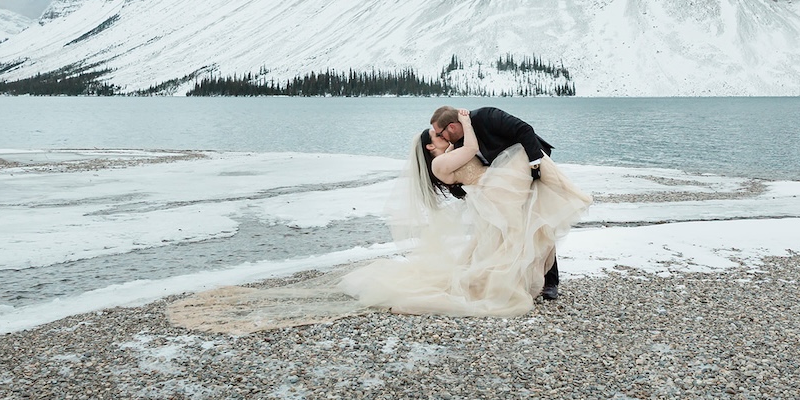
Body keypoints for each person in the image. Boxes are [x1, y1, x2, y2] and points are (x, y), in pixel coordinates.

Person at [166, 108, 590, 331]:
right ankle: (532, 282)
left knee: (529, 232)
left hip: (508, 181)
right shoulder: (446, 158)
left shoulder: (468, 138)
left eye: (439, 133)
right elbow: (471, 153)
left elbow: (502, 143)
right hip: (497, 190)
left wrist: (529, 164)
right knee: (522, 235)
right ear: (432, 146)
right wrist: (465, 126)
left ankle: (541, 281)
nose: (439, 140)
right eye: (435, 138)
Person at [429, 104, 562, 298]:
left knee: (538, 221)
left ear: (452, 127)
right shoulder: (459, 144)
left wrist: (534, 166)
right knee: (514, 229)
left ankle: (551, 282)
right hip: (503, 186)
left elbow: (524, 130)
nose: (441, 138)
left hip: (531, 165)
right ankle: (524, 278)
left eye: (440, 134)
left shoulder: (486, 116)